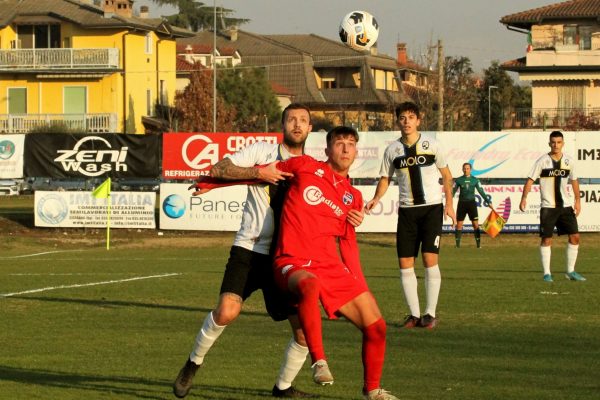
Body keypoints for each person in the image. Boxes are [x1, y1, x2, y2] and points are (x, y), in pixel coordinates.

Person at [173, 103, 316, 399]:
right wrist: (258, 173)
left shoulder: (312, 167)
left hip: (285, 258)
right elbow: (219, 168)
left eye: (303, 120)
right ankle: (192, 364)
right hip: (249, 248)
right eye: (292, 119)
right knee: (226, 311)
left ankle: (283, 388)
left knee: (304, 333)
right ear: (282, 124)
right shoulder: (261, 150)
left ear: (310, 128)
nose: (297, 124)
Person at [272, 126, 399, 400]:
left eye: (351, 144)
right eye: (339, 143)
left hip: (330, 266)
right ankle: (319, 361)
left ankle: (372, 390)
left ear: (355, 152)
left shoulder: (353, 196)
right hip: (292, 260)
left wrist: (359, 284)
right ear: (327, 149)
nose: (345, 148)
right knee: (309, 284)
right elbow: (261, 173)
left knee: (377, 327)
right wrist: (213, 182)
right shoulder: (305, 166)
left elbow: (349, 245)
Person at [365, 102, 455, 330]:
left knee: (429, 259)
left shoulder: (432, 145)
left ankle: (430, 314)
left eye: (410, 117)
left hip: (431, 209)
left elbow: (447, 176)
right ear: (398, 121)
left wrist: (449, 205)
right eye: (402, 118)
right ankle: (414, 315)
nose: (406, 122)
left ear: (419, 120)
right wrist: (376, 198)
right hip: (407, 212)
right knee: (405, 263)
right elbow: (385, 178)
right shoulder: (392, 150)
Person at [519, 130, 585, 282]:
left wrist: (577, 200)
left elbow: (574, 180)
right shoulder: (542, 161)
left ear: (563, 144)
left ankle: (570, 271)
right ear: (549, 143)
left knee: (575, 237)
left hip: (566, 207)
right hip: (548, 207)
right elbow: (530, 180)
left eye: (559, 142)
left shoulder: (569, 161)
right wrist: (524, 198)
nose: (556, 145)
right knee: (546, 239)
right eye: (553, 142)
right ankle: (547, 273)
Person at [453, 162, 493, 248]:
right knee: (459, 225)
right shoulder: (458, 180)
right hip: (462, 204)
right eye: (464, 168)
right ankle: (457, 246)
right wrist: (449, 202)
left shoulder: (475, 180)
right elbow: (452, 191)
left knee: (475, 225)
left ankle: (478, 245)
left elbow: (481, 191)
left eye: (467, 168)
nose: (466, 170)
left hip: (471, 204)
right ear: (462, 169)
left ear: (470, 170)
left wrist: (488, 201)